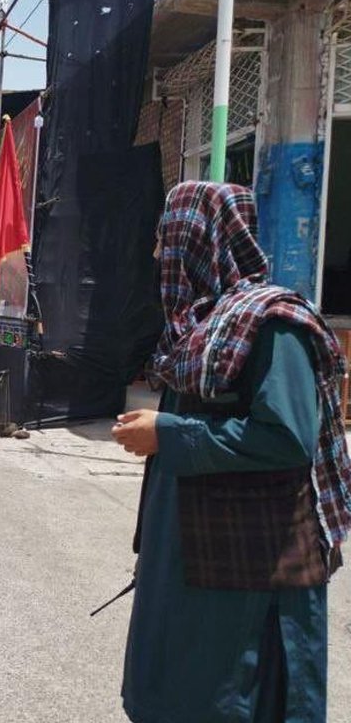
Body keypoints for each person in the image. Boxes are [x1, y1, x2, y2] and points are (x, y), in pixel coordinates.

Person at [112, 182, 350, 723]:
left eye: (166, 239)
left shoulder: (271, 325)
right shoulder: (201, 329)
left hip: (250, 571)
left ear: (200, 241)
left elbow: (288, 437)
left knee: (233, 701)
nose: (157, 254)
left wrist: (169, 434)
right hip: (193, 559)